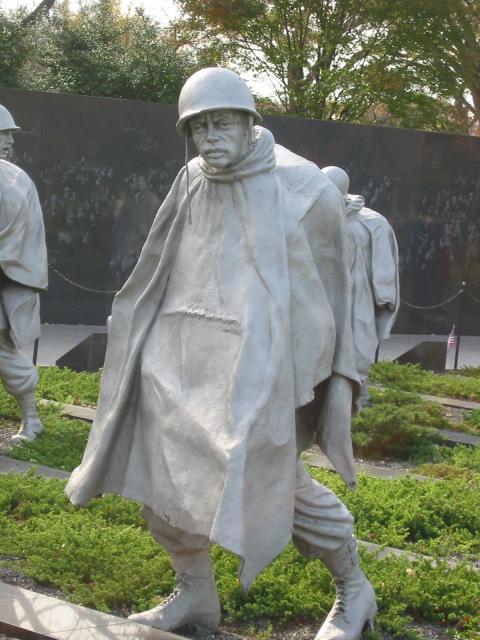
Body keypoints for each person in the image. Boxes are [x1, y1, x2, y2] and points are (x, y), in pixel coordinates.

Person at [66, 68, 376, 640]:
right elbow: (159, 266)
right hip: (179, 364)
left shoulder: (306, 190)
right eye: (198, 127)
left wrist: (323, 383)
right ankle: (195, 591)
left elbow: (335, 294)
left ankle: (354, 590)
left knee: (276, 486)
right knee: (162, 480)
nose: (209, 138)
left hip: (260, 373)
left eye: (221, 123)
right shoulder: (191, 178)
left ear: (248, 121)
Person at [322, 166, 399, 406]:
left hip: (357, 295)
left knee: (357, 346)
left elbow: (384, 259)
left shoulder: (372, 222)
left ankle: (358, 398)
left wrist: (384, 292)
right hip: (321, 292)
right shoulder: (312, 215)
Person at [0, 105, 48, 442]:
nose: (9, 141)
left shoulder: (14, 181)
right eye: (3, 133)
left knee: (4, 354)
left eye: (9, 134)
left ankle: (32, 420)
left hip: (4, 280)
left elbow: (19, 238)